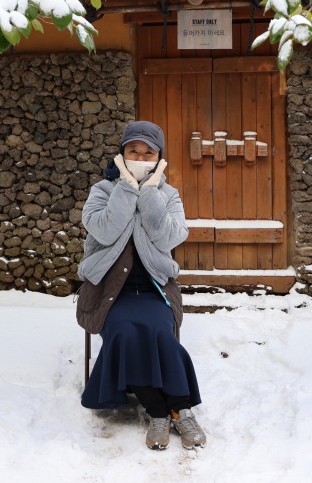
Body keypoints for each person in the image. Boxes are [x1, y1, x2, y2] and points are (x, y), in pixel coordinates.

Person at [76, 120, 207, 450]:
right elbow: (104, 231)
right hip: (111, 292)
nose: (140, 156)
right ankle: (161, 411)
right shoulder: (102, 191)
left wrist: (149, 192)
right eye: (133, 150)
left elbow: (169, 235)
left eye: (148, 152)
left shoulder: (168, 195)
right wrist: (126, 186)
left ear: (159, 157)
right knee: (124, 332)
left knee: (159, 332)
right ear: (122, 154)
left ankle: (178, 410)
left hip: (154, 290)